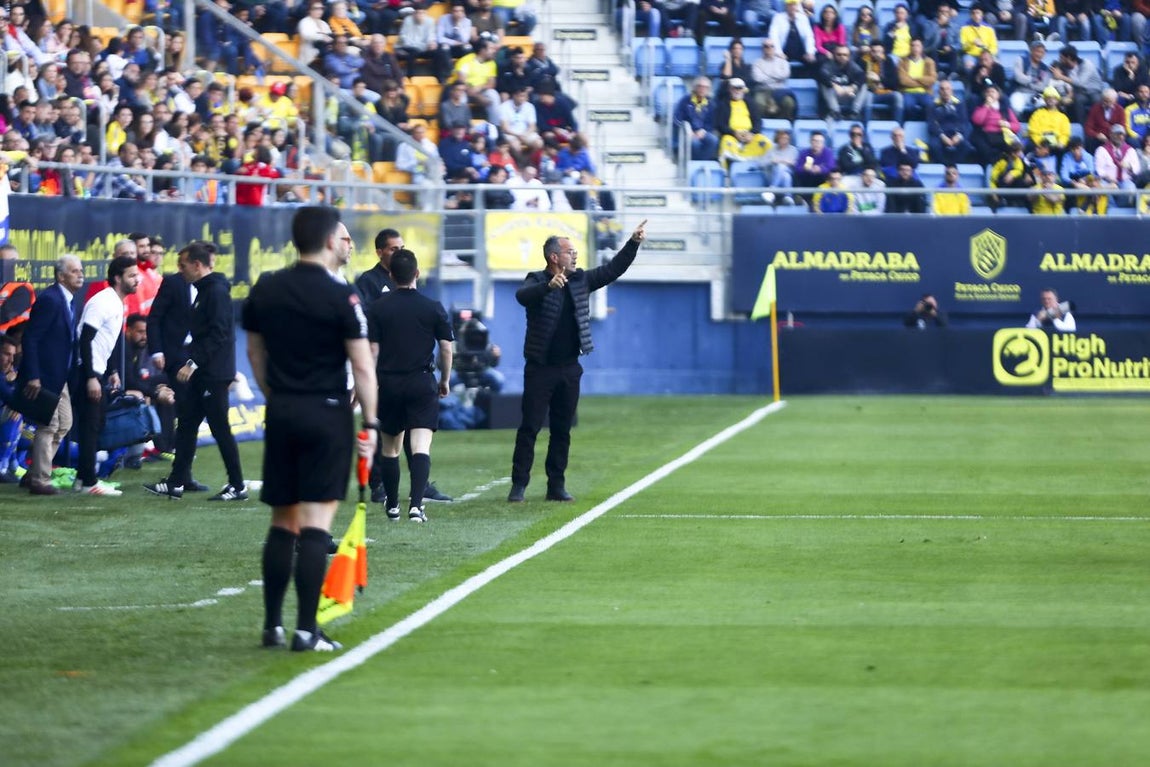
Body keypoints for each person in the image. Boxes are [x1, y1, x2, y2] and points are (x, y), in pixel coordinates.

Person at [241, 206, 378, 653]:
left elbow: (255, 353)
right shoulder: (343, 297)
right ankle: (306, 630)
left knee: (283, 520)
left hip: (282, 411)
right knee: (316, 522)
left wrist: (273, 394)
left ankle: (271, 625)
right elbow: (362, 366)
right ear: (327, 240)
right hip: (327, 412)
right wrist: (371, 423)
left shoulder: (268, 287)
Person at [507, 220, 648, 504]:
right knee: (530, 428)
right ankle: (519, 485)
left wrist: (632, 243)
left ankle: (555, 486)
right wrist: (548, 287)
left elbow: (613, 270)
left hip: (570, 368)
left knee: (562, 429)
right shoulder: (536, 279)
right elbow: (522, 297)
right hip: (540, 369)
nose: (575, 255)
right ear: (554, 256)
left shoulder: (581, 280)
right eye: (570, 251)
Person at [355, 228, 455, 505]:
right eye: (392, 248)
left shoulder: (408, 292)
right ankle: (382, 486)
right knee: (392, 434)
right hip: (389, 371)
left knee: (401, 436)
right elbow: (366, 332)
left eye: (401, 248)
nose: (397, 252)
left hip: (400, 373)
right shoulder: (369, 283)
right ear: (380, 252)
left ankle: (413, 490)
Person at [145, 242, 247, 501]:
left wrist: (193, 363)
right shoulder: (204, 290)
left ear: (197, 265)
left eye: (184, 265)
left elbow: (219, 334)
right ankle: (176, 482)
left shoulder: (215, 292)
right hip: (205, 372)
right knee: (187, 424)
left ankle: (237, 485)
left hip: (213, 373)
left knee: (219, 428)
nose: (180, 270)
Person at [75, 255, 140, 497]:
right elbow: (85, 338)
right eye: (132, 275)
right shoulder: (103, 301)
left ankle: (83, 480)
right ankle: (89, 482)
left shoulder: (116, 302)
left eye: (137, 275)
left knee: (95, 424)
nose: (137, 279)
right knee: (90, 426)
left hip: (98, 371)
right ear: (117, 278)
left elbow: (108, 342)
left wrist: (111, 370)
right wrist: (91, 376)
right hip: (86, 371)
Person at [18, 254, 82, 496]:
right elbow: (31, 338)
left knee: (65, 423)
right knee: (49, 424)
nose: (80, 274)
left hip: (60, 376)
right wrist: (33, 375)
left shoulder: (68, 300)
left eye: (80, 270)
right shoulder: (51, 299)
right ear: (61, 276)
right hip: (44, 377)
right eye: (75, 271)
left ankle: (32, 473)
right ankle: (40, 480)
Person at [673, 76, 719, 161]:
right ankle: (694, 163)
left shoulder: (711, 103)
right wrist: (688, 130)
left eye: (706, 87)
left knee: (714, 140)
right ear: (694, 87)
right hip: (688, 132)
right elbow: (677, 119)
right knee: (694, 143)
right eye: (700, 86)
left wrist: (703, 131)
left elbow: (712, 123)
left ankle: (702, 162)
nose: (702, 89)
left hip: (703, 132)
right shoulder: (685, 100)